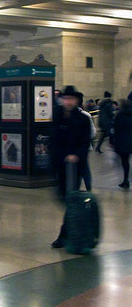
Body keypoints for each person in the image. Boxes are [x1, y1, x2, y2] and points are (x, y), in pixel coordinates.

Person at [50, 85, 92, 248]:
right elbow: (53, 139)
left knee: (71, 199)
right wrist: (60, 157)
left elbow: (85, 141)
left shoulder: (82, 119)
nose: (68, 102)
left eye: (71, 99)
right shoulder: (58, 117)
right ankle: (73, 228)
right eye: (65, 99)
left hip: (75, 166)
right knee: (63, 197)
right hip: (60, 165)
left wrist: (76, 156)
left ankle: (65, 234)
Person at [77, 91, 95, 191]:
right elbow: (93, 133)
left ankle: (78, 189)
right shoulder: (86, 115)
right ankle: (88, 189)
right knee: (84, 169)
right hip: (84, 147)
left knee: (82, 169)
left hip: (80, 148)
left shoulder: (84, 116)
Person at [112, 98, 132, 190]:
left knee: (125, 162)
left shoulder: (119, 115)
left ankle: (125, 180)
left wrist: (113, 141)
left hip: (123, 142)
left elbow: (115, 129)